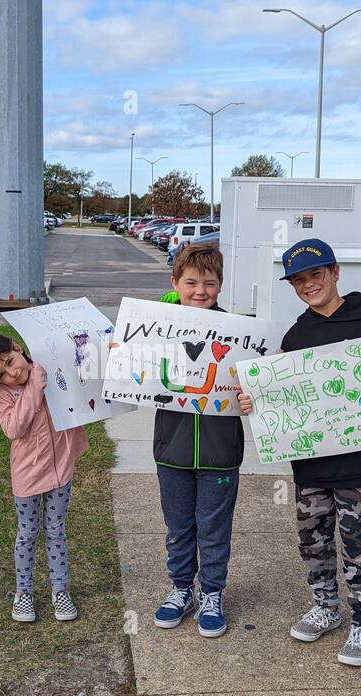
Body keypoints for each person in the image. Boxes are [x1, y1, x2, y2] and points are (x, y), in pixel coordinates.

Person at [237, 239, 361, 666]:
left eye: (316, 275)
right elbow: (279, 394)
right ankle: (325, 605)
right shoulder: (297, 334)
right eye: (298, 280)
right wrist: (257, 401)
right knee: (312, 537)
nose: (308, 285)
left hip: (358, 459)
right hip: (309, 461)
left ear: (335, 272)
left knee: (355, 538)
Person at [149, 243, 244, 638]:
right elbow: (132, 373)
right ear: (176, 283)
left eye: (209, 283)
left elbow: (255, 382)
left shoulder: (239, 332)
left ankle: (212, 593)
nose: (200, 291)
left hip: (221, 453)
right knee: (178, 527)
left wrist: (252, 391)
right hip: (172, 450)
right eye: (190, 283)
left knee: (214, 528)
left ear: (221, 286)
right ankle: (181, 588)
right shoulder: (154, 327)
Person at [0, 335, 88, 623]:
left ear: (18, 348)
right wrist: (34, 386)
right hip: (27, 475)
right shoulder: (4, 394)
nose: (12, 374)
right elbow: (15, 428)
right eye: (1, 374)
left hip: (60, 469)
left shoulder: (50, 368)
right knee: (27, 533)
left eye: (10, 362)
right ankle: (23, 593)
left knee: (56, 529)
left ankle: (60, 589)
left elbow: (79, 388)